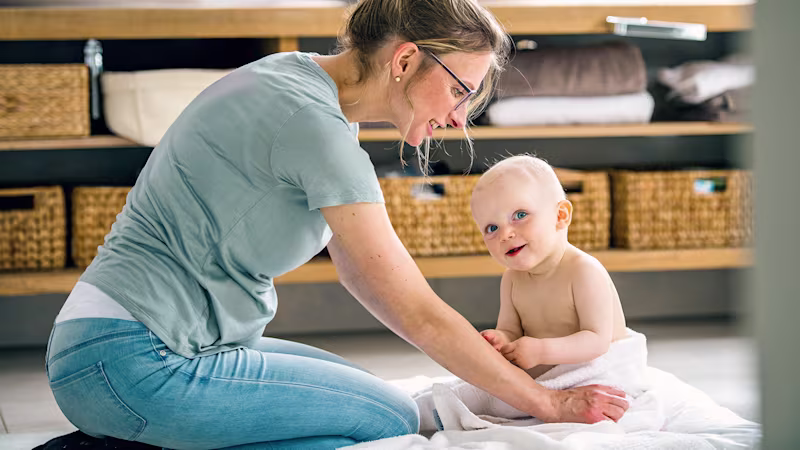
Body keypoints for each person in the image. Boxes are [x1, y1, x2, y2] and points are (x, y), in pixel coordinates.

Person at [41, 1, 628, 449]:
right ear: (404, 59)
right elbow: (415, 309)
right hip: (136, 357)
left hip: (135, 347)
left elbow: (364, 277)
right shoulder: (314, 125)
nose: (458, 115)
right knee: (389, 420)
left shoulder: (299, 85)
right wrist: (549, 406)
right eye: (458, 90)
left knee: (366, 398)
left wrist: (504, 379)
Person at [412, 155, 645, 429]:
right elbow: (511, 330)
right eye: (491, 228)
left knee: (488, 399)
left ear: (560, 216)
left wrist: (541, 350)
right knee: (483, 385)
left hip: (592, 371)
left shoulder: (583, 271)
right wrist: (500, 340)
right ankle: (427, 409)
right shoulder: (512, 279)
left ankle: (435, 413)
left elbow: (597, 342)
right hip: (544, 370)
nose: (505, 234)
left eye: (520, 215)